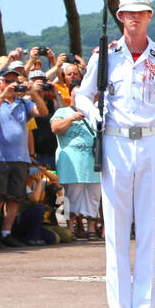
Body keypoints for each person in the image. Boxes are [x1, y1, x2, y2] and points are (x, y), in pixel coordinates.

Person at [75, 0, 155, 308]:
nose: (134, 17)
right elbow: (82, 93)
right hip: (116, 142)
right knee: (117, 230)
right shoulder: (105, 56)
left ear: (150, 16)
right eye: (128, 12)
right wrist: (91, 111)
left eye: (141, 11)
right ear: (120, 17)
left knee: (150, 230)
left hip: (152, 142)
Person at [0, 64, 48, 247]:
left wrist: (33, 93)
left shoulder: (23, 103)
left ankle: (6, 233)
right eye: (7, 81)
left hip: (20, 157)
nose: (12, 84)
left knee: (15, 198)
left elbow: (43, 112)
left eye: (14, 81)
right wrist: (2, 96)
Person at [49, 94, 100, 240]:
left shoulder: (95, 112)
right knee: (70, 195)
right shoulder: (63, 112)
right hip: (71, 161)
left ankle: (91, 228)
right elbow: (55, 128)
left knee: (94, 195)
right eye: (76, 94)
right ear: (71, 96)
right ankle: (70, 228)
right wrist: (71, 118)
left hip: (93, 160)